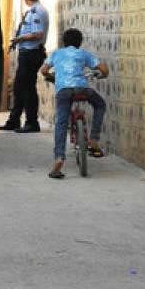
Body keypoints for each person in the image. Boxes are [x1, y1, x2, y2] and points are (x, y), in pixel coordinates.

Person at [40, 28, 109, 179]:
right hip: (82, 88)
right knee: (100, 104)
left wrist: (52, 76)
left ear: (64, 42)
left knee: (61, 123)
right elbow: (104, 70)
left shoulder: (57, 53)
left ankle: (59, 159)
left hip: (63, 90)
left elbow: (43, 70)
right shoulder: (84, 53)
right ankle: (93, 139)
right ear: (80, 42)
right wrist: (101, 75)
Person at [0, 0, 50, 133]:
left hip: (31, 53)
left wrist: (20, 39)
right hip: (28, 53)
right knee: (19, 87)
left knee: (26, 88)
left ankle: (32, 123)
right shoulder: (35, 11)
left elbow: (38, 34)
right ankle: (14, 120)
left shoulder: (36, 12)